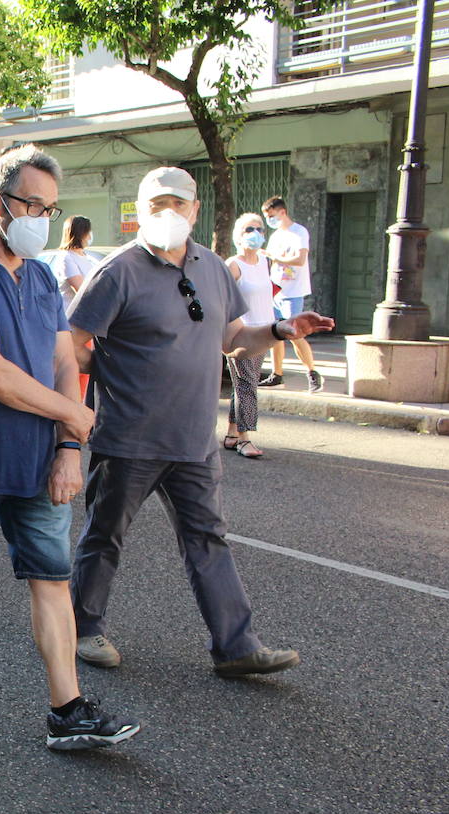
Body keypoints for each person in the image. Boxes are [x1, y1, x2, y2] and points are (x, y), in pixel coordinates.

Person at [0, 144, 139, 749]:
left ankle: (68, 708)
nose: (40, 216)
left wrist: (68, 444)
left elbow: (66, 359)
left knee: (52, 578)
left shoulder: (38, 275)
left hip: (39, 460)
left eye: (50, 207)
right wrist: (76, 416)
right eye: (29, 204)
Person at [68, 167, 333, 676]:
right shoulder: (117, 271)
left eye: (179, 205)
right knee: (105, 535)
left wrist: (280, 329)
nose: (169, 214)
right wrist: (112, 372)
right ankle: (82, 630)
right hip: (130, 437)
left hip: (195, 440)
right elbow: (71, 343)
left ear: (195, 211)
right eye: (157, 205)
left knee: (208, 538)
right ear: (140, 213)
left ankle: (236, 647)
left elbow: (235, 337)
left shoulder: (212, 268)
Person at [222, 214, 275, 460]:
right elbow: (221, 297)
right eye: (248, 229)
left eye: (259, 228)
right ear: (238, 235)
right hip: (241, 335)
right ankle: (245, 439)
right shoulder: (234, 264)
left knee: (242, 383)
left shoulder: (266, 262)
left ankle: (232, 433)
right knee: (247, 384)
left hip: (264, 332)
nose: (255, 233)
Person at [260, 196, 323, 393]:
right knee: (274, 335)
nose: (269, 220)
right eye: (267, 217)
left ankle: (312, 373)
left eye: (271, 215)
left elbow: (300, 259)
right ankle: (276, 374)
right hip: (275, 291)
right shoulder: (275, 236)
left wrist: (275, 257)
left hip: (293, 291)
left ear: (282, 212)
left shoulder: (299, 232)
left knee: (294, 334)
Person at [55, 216, 96, 311]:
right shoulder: (66, 257)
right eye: (87, 233)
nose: (90, 236)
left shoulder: (85, 256)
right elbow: (82, 290)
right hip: (71, 316)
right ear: (79, 234)